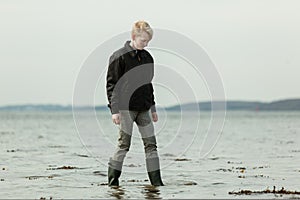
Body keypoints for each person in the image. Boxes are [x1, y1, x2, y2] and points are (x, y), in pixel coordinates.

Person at [106, 20, 164, 186]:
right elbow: (112, 85)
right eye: (143, 41)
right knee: (124, 145)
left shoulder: (147, 57)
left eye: (148, 42)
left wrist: (153, 108)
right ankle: (113, 182)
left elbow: (149, 84)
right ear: (133, 36)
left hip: (144, 108)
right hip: (125, 109)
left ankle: (157, 184)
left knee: (151, 145)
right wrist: (114, 110)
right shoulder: (118, 56)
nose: (145, 44)